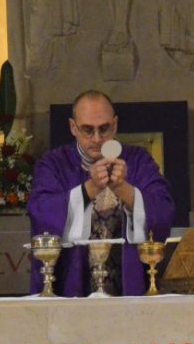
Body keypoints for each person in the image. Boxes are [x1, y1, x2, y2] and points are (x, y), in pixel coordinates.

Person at [28, 90, 174, 296]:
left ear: (115, 124)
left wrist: (123, 188)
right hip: (72, 288)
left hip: (128, 290)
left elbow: (164, 211)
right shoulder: (54, 164)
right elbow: (40, 212)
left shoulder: (139, 161)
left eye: (104, 129)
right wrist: (90, 188)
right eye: (87, 130)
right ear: (73, 127)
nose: (97, 138)